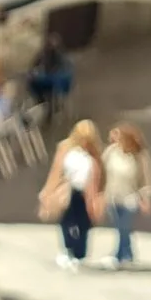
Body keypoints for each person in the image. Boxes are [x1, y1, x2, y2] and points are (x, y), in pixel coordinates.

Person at [40, 115, 103, 268]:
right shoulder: (65, 148)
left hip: (84, 193)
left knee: (84, 223)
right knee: (67, 221)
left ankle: (80, 252)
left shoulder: (94, 154)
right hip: (69, 191)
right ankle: (69, 248)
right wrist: (48, 191)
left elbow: (98, 176)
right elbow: (56, 171)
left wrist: (96, 198)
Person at [101, 120, 151, 268]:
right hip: (112, 196)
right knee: (120, 227)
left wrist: (146, 199)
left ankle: (120, 255)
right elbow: (101, 170)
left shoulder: (140, 156)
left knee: (123, 226)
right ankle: (128, 254)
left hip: (130, 198)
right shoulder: (111, 151)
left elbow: (146, 179)